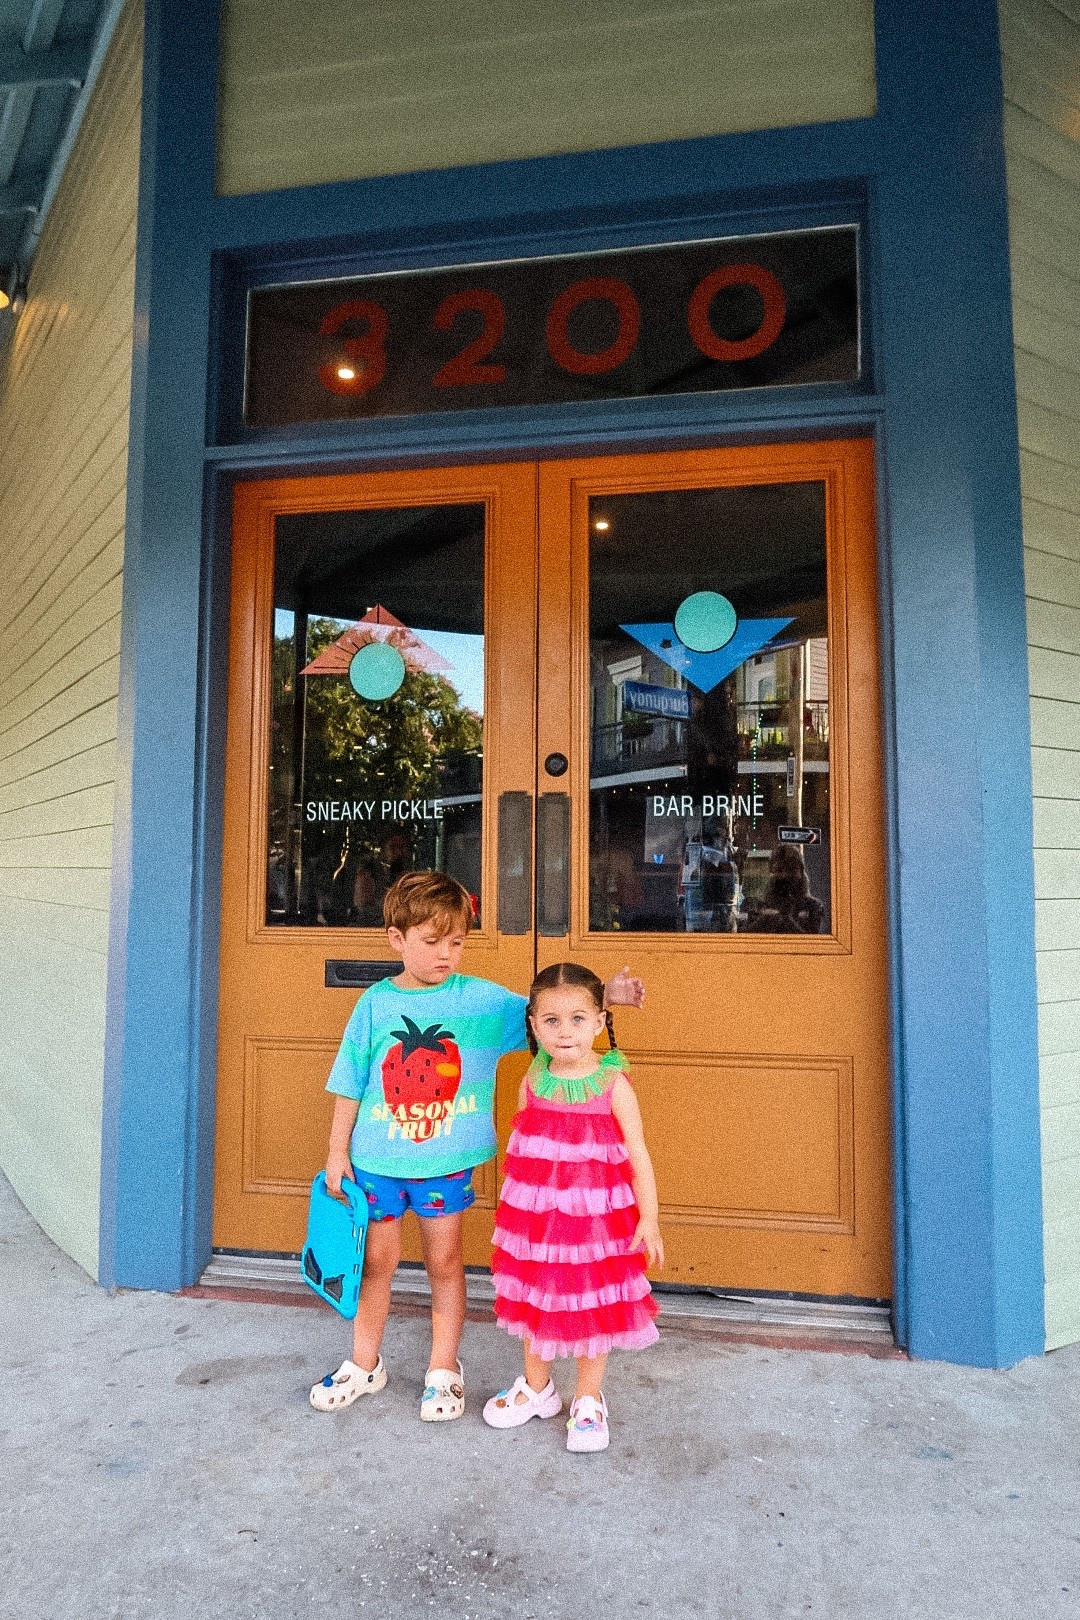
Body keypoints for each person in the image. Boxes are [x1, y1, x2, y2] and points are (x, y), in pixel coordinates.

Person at [309, 871, 644, 1422]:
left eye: (457, 942)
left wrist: (609, 995)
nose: (446, 954)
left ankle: (444, 1370)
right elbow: (349, 1080)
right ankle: (363, 1363)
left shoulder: (483, 1001)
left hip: (445, 1167)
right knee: (377, 1264)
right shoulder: (373, 1005)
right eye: (431, 941)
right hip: (377, 1163)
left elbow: (553, 1010)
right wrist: (335, 1152)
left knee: (444, 1263)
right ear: (396, 939)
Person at [483, 962, 663, 1454]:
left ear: (600, 1023)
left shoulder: (612, 1085)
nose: (565, 1032)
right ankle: (537, 1389)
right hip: (539, 1228)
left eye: (579, 1019)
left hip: (598, 1230)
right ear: (534, 1026)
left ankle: (587, 1400)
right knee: (534, 1302)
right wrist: (517, 1211)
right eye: (552, 1021)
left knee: (592, 1310)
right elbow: (525, 1152)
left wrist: (649, 1218)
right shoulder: (532, 1080)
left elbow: (639, 1153)